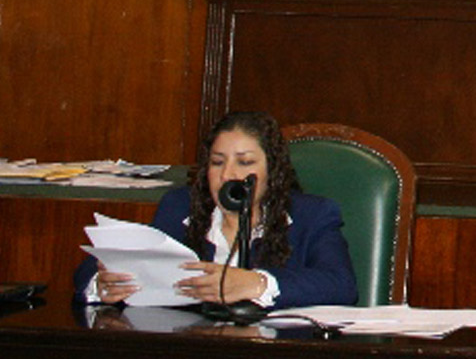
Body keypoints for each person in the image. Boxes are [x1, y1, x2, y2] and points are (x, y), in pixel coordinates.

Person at [75, 110, 357, 310]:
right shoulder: (180, 207)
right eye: (217, 162)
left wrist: (256, 284)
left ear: (272, 171)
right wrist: (102, 283)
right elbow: (93, 268)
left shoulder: (312, 215)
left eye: (245, 163)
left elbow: (341, 285)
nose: (227, 175)